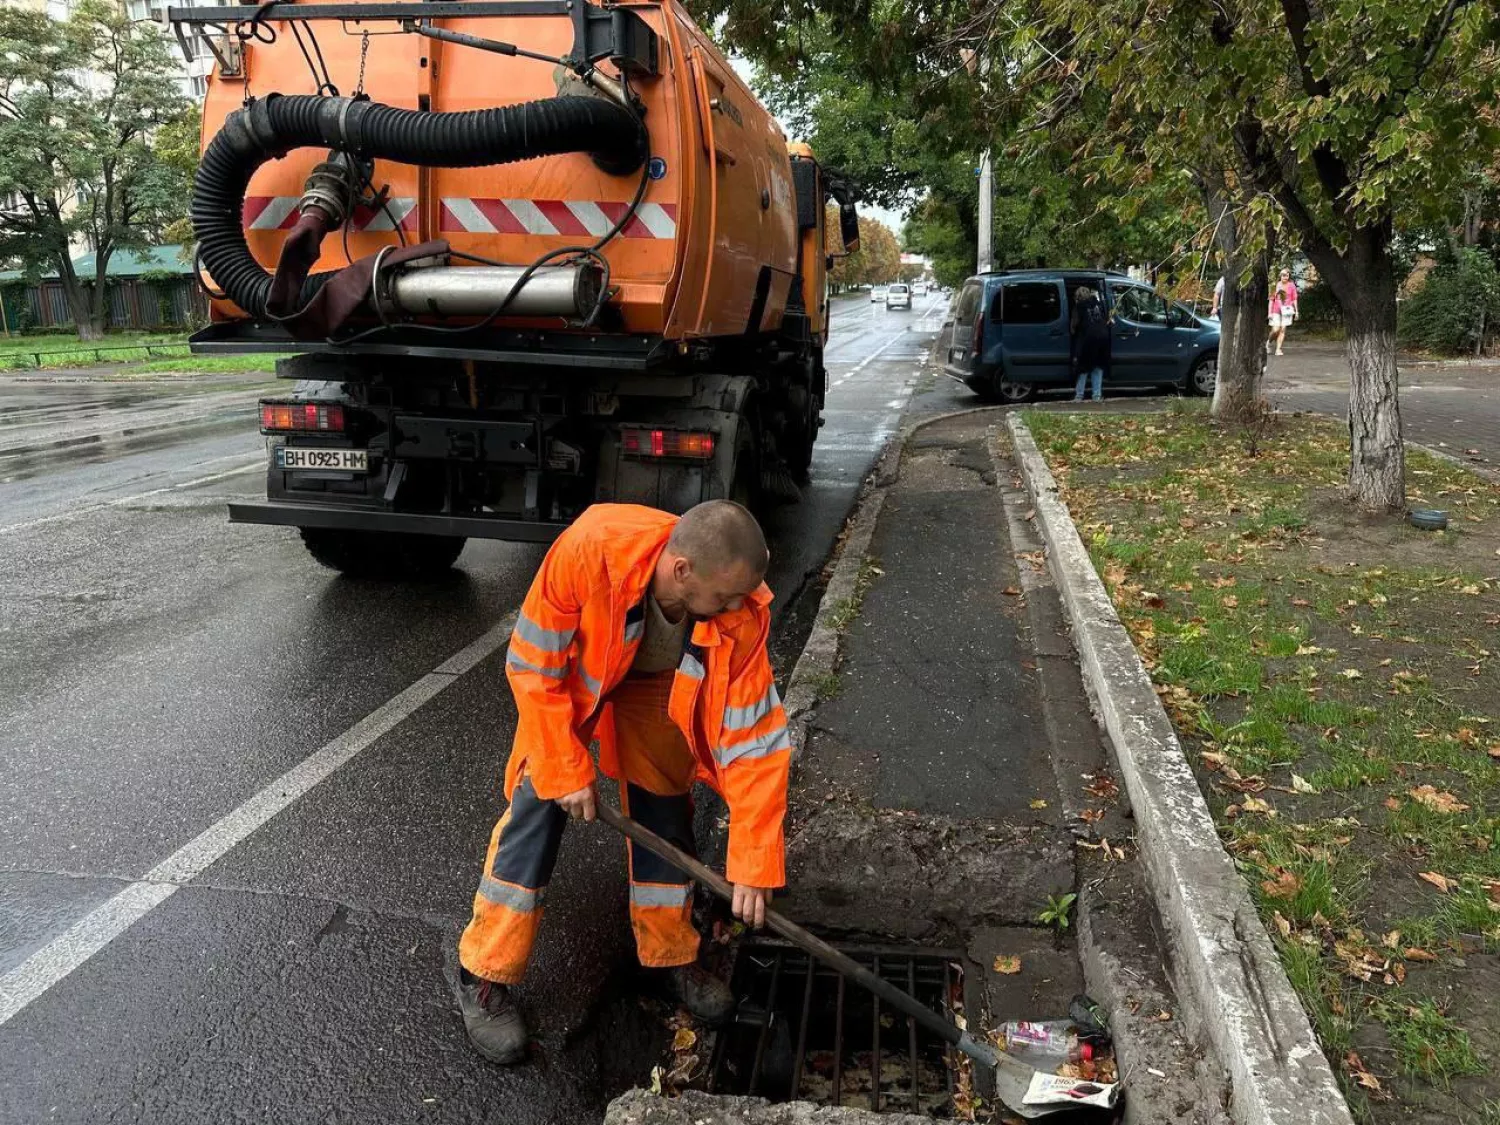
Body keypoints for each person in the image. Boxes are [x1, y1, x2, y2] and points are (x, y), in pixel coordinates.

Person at [456, 500, 791, 1065]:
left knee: (664, 796)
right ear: (682, 570)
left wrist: (754, 860)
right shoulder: (590, 550)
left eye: (741, 597)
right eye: (725, 597)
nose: (736, 607)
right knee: (539, 803)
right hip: (574, 681)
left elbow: (755, 742)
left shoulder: (741, 610)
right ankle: (484, 973)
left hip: (655, 683)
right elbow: (534, 668)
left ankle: (668, 954)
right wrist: (565, 767)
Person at [1070, 285, 1111, 402]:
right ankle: (1097, 396)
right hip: (1103, 339)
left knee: (1083, 368)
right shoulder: (1099, 304)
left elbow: (1074, 327)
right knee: (1098, 367)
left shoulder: (1078, 307)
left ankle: (1079, 396)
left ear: (1077, 297)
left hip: (1087, 340)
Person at [1268, 268, 1299, 356]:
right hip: (1276, 310)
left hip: (1287, 311)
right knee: (1275, 330)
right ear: (1280, 276)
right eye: (1283, 275)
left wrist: (1296, 311)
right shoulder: (1275, 285)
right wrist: (1269, 313)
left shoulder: (1292, 285)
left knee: (1282, 330)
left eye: (1287, 275)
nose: (1285, 277)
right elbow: (1271, 300)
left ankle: (1278, 349)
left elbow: (1294, 299)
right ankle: (1268, 343)